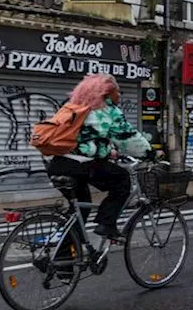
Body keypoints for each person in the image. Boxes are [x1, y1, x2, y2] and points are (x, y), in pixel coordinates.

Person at [47, 73, 151, 239]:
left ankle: (63, 258)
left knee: (80, 210)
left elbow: (85, 140)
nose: (120, 95)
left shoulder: (75, 108)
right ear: (106, 93)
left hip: (58, 164)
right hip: (80, 166)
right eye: (118, 91)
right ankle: (106, 224)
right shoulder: (107, 111)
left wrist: (109, 152)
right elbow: (127, 138)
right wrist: (150, 153)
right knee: (122, 179)